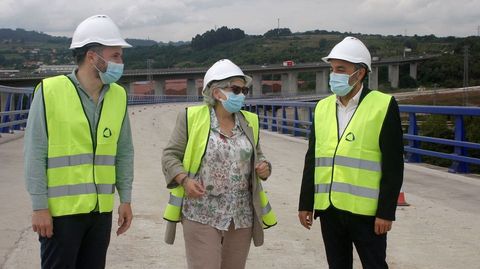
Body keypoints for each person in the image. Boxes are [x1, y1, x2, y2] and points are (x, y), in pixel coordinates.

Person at [24, 15, 134, 269]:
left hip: (100, 212)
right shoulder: (49, 91)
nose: (121, 62)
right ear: (93, 57)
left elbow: (124, 151)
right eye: (115, 55)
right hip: (61, 214)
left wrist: (125, 199)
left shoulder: (118, 95)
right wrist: (39, 207)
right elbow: (35, 152)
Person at [298, 36, 404, 269]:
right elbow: (312, 158)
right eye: (332, 69)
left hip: (366, 213)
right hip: (329, 209)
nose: (334, 75)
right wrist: (306, 202)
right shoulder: (323, 107)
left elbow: (393, 164)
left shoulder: (383, 105)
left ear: (361, 73)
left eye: (341, 69)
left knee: (375, 265)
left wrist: (386, 212)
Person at [162, 59, 277, 269]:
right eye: (235, 89)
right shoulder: (191, 118)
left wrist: (264, 167)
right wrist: (184, 180)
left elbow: (258, 156)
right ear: (216, 92)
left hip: (241, 215)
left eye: (244, 90)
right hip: (201, 212)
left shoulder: (249, 121)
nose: (241, 94)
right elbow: (170, 155)